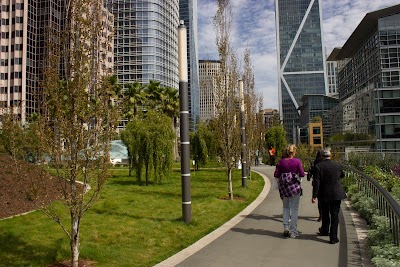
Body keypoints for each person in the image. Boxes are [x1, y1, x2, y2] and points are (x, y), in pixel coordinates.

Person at [311, 149, 346, 244]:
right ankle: (333, 237)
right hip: (336, 193)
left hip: (324, 193)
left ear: (322, 157)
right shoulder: (338, 165)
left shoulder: (318, 166)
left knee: (325, 213)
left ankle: (325, 230)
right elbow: (342, 175)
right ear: (331, 156)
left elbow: (317, 183)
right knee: (335, 215)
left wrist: (314, 196)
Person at [274, 144, 305, 238]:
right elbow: (302, 174)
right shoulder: (297, 161)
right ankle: (293, 231)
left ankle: (286, 228)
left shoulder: (281, 162)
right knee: (294, 209)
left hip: (284, 188)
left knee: (285, 208)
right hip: (295, 188)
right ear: (294, 152)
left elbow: (276, 174)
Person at [307, 149, 323, 221]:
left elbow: (310, 171)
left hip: (317, 183)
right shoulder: (324, 163)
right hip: (325, 183)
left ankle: (321, 215)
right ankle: (325, 214)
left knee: (320, 200)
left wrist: (309, 177)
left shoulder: (315, 163)